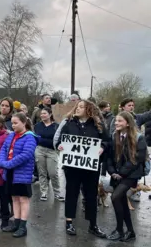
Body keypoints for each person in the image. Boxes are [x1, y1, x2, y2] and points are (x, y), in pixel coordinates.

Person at [56, 100, 108, 238]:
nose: (77, 109)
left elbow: (107, 141)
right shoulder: (69, 123)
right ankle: (69, 222)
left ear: (88, 109)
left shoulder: (98, 126)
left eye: (81, 107)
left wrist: (102, 147)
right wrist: (60, 146)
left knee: (91, 195)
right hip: (72, 167)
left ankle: (93, 224)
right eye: (77, 107)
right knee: (71, 193)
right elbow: (60, 140)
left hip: (91, 167)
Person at [105, 111, 146, 242]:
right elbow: (109, 156)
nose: (116, 123)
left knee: (115, 196)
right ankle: (130, 231)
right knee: (121, 200)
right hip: (117, 174)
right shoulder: (113, 136)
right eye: (116, 120)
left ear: (127, 123)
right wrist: (112, 171)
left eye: (120, 121)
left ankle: (119, 230)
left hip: (131, 174)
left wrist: (121, 172)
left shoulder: (138, 137)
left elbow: (136, 159)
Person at [0, 113, 37, 238]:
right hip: (10, 173)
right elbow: (3, 150)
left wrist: (8, 164)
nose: (13, 125)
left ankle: (23, 226)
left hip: (22, 174)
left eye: (15, 123)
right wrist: (2, 162)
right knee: (14, 198)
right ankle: (16, 222)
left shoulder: (30, 137)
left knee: (23, 199)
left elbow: (26, 155)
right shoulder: (11, 136)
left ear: (24, 122)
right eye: (12, 123)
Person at [33, 107, 64, 202]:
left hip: (52, 151)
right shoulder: (38, 125)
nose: (42, 115)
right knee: (42, 172)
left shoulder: (56, 126)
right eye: (41, 113)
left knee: (53, 173)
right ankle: (44, 192)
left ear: (50, 114)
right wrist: (45, 141)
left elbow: (57, 140)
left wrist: (43, 140)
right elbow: (36, 138)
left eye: (44, 113)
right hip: (40, 150)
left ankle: (57, 192)